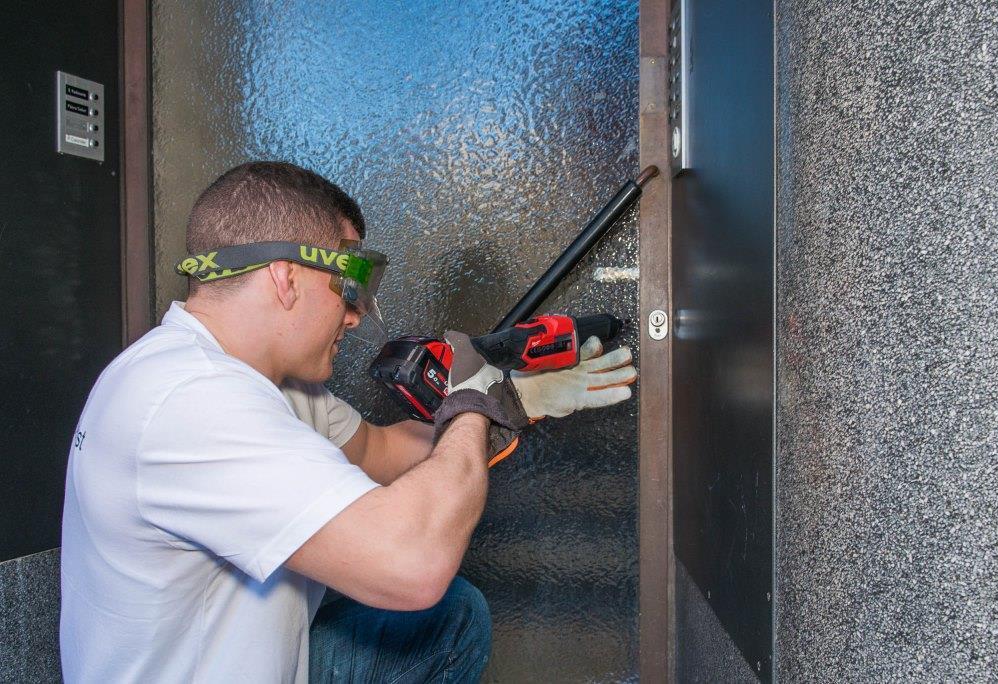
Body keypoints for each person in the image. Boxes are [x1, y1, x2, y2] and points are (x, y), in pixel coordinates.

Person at [59, 161, 637, 683]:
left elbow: (382, 452)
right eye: (350, 285)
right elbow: (412, 566)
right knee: (436, 598)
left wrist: (513, 400)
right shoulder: (191, 400)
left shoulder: (268, 382)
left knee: (454, 618)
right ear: (285, 278)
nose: (357, 315)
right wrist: (471, 405)